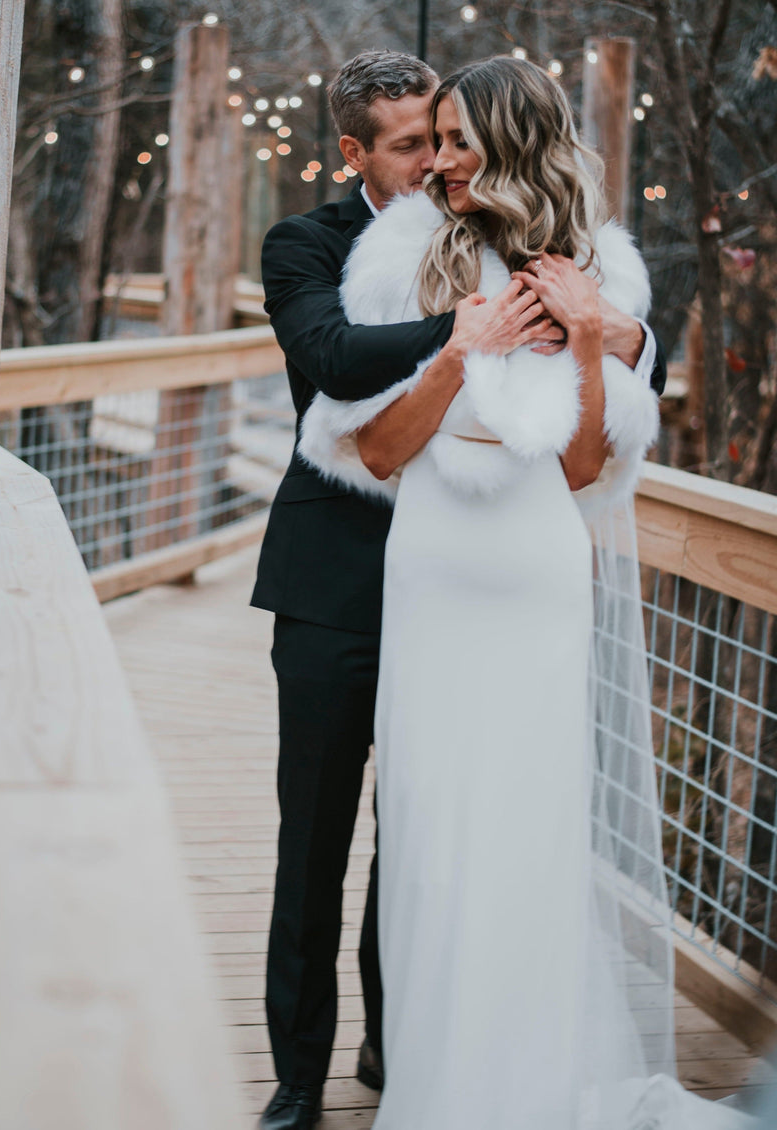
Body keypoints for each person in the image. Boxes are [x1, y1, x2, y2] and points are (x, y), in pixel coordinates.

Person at [298, 56, 756, 1129]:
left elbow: (580, 469)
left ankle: (526, 1089)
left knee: (529, 835)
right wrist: (461, 352)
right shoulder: (397, 258)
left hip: (538, 580)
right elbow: (371, 449)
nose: (442, 161)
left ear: (516, 143)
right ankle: (437, 1086)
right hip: (433, 577)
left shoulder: (599, 267)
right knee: (435, 835)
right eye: (434, 140)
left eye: (460, 140)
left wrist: (595, 337)